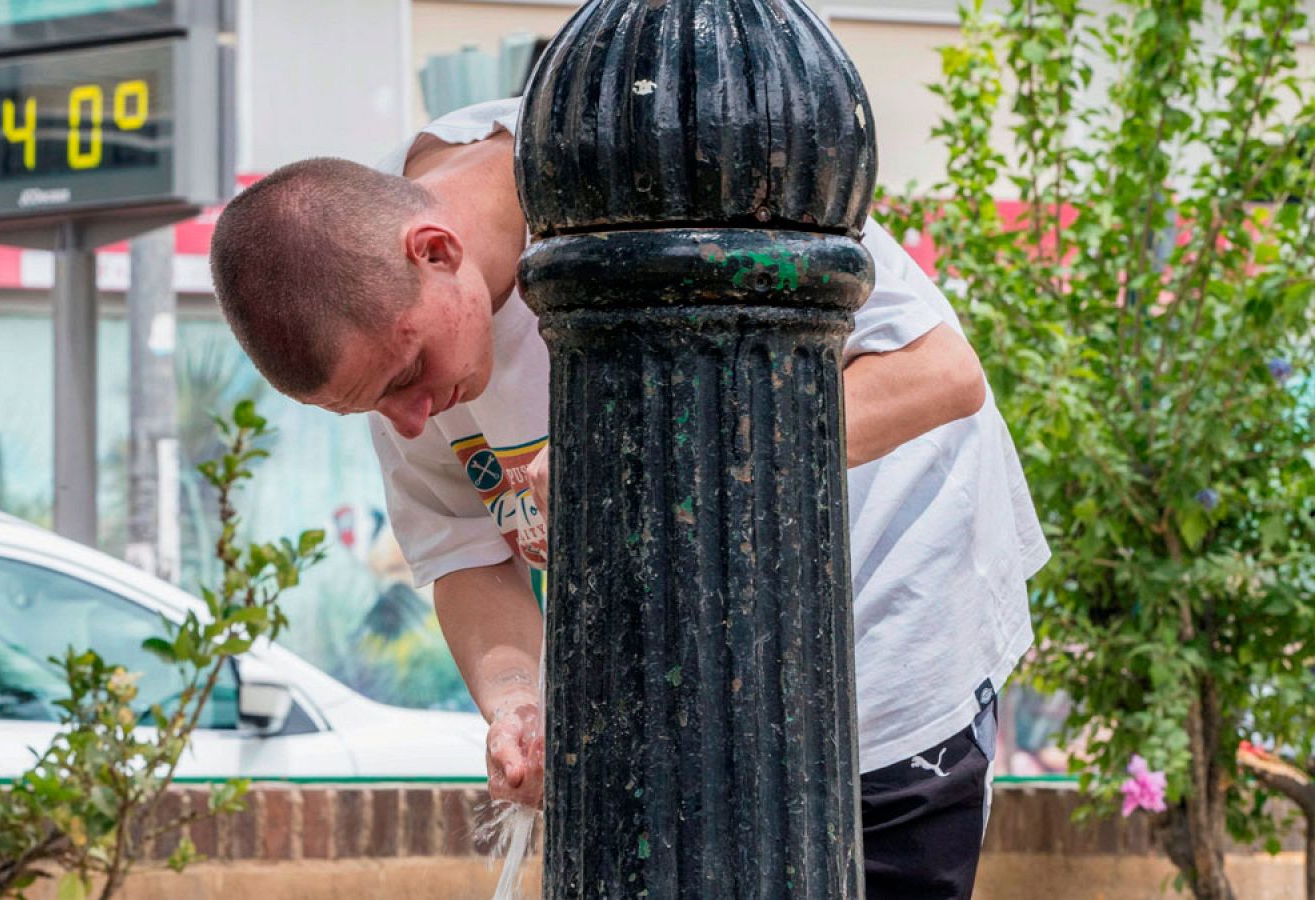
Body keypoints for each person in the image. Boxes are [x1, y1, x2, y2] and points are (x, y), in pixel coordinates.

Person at [209, 98, 1049, 899]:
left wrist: (632, 468)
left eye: (405, 379)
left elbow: (938, 376)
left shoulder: (655, 155)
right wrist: (519, 705)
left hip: (885, 621)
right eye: (375, 406)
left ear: (435, 249)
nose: (412, 417)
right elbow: (466, 553)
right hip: (675, 683)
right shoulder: (373, 294)